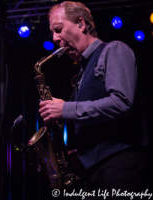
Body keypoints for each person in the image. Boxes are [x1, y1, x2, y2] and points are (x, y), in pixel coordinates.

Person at [39, 1, 150, 195]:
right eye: (52, 33)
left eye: (59, 29)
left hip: (121, 164)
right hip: (94, 170)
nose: (55, 38)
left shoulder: (114, 50)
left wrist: (65, 109)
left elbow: (122, 103)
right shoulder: (81, 71)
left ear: (81, 24)